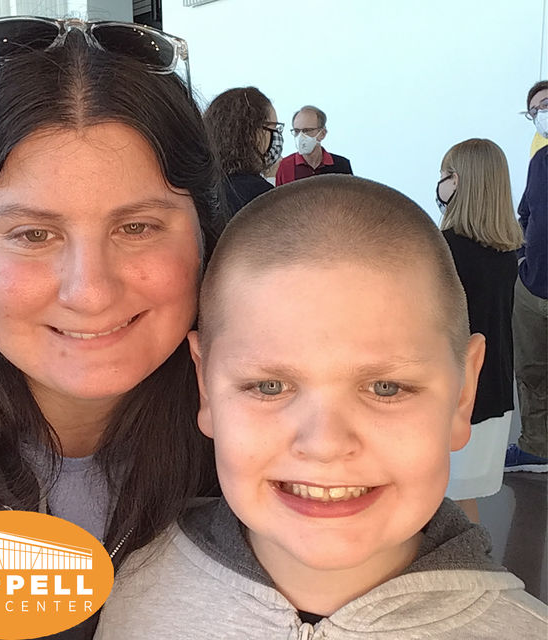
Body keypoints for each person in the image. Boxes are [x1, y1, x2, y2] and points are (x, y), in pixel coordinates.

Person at [95, 175, 547, 639]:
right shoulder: (126, 592)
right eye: (270, 386)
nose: (325, 443)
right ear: (206, 387)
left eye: (386, 388)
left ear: (463, 394)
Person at [0, 17, 223, 640]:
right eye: (33, 234)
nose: (90, 291)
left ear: (203, 237)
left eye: (137, 227)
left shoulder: (287, 450)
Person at [436, 139, 523, 521]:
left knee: (445, 500)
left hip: (455, 395)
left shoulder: (446, 249)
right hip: (493, 392)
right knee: (462, 499)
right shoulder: (504, 253)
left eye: (446, 174)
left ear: (459, 181)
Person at [505, 80, 548, 473]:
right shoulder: (539, 161)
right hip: (533, 287)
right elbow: (525, 214)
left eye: (546, 104)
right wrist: (522, 258)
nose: (541, 115)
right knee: (531, 371)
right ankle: (536, 446)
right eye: (534, 111)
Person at [203, 87, 283, 218]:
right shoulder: (259, 194)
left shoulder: (202, 187)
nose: (277, 135)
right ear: (254, 132)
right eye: (273, 127)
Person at [275, 105, 352, 185]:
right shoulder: (284, 166)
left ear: (322, 134)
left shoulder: (342, 165)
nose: (301, 136)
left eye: (307, 130)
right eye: (297, 131)